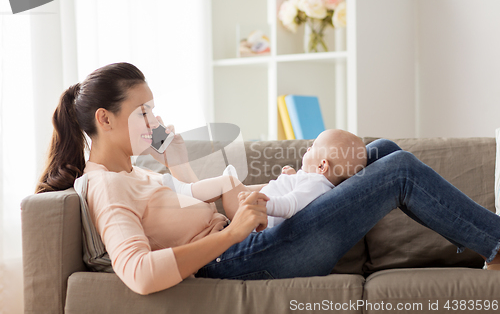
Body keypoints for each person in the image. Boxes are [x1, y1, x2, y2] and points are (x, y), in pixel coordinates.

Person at [36, 62, 500, 296]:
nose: (155, 118)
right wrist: (234, 231)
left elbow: (190, 206)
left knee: (381, 153)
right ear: (106, 119)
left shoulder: (133, 170)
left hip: (249, 239)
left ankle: (482, 239)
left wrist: (178, 160)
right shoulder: (107, 185)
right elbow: (137, 273)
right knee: (397, 172)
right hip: (242, 257)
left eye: (153, 107)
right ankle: (496, 245)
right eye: (144, 110)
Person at [162, 129, 367, 228]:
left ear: (322, 166)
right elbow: (299, 195)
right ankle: (209, 187)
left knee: (228, 184)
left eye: (313, 147)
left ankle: (184, 192)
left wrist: (263, 205)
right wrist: (292, 178)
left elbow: (289, 205)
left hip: (255, 217)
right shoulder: (317, 184)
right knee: (243, 185)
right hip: (255, 214)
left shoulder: (315, 185)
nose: (308, 148)